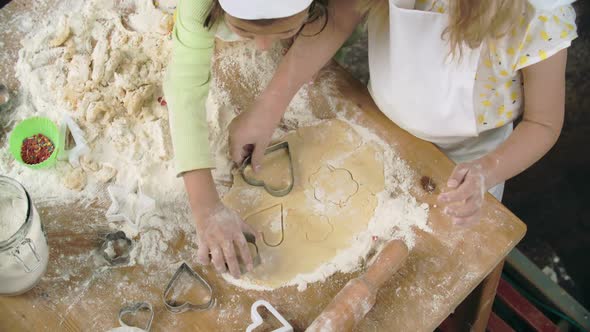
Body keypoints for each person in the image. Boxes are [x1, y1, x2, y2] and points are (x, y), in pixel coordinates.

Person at [229, 0, 578, 226]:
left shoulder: (538, 18)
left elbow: (543, 123)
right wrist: (267, 108)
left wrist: (485, 173)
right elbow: (339, 19)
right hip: (376, 120)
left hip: (466, 161)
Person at [164, 0, 350, 278]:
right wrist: (205, 208)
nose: (262, 47)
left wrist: (271, 105)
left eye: (285, 31)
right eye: (245, 31)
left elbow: (347, 10)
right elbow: (184, 89)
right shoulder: (198, 5)